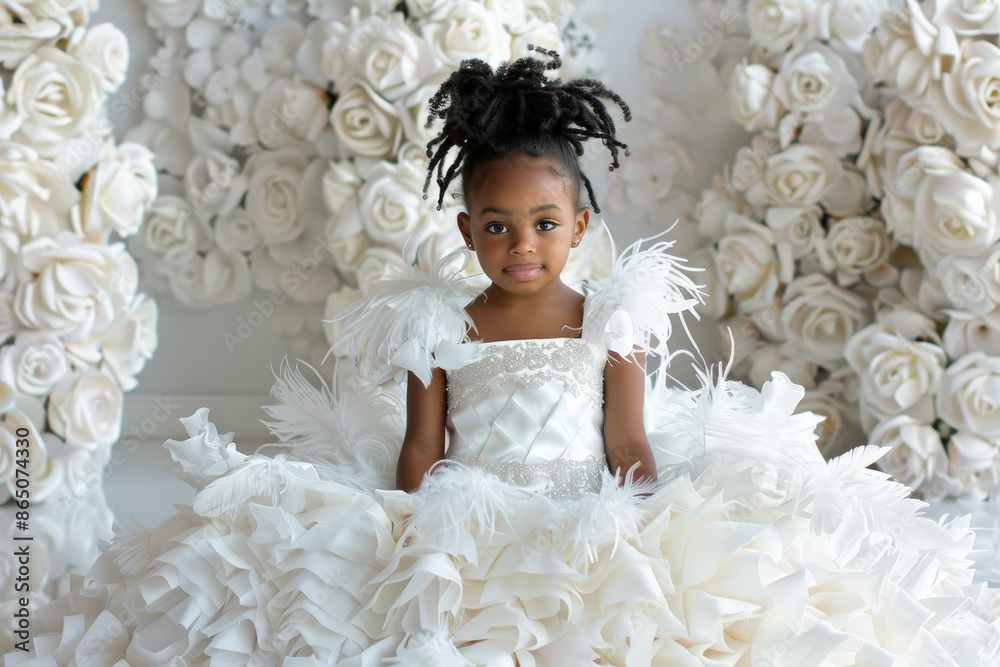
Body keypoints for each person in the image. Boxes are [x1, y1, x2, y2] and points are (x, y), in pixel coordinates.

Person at [7, 48, 1000, 667]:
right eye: (494, 225)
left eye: (541, 223)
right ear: (463, 229)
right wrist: (407, 528)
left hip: (579, 502)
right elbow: (421, 449)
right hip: (469, 505)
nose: (519, 246)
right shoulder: (442, 325)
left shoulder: (610, 322)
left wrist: (639, 524)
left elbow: (627, 442)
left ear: (579, 222)